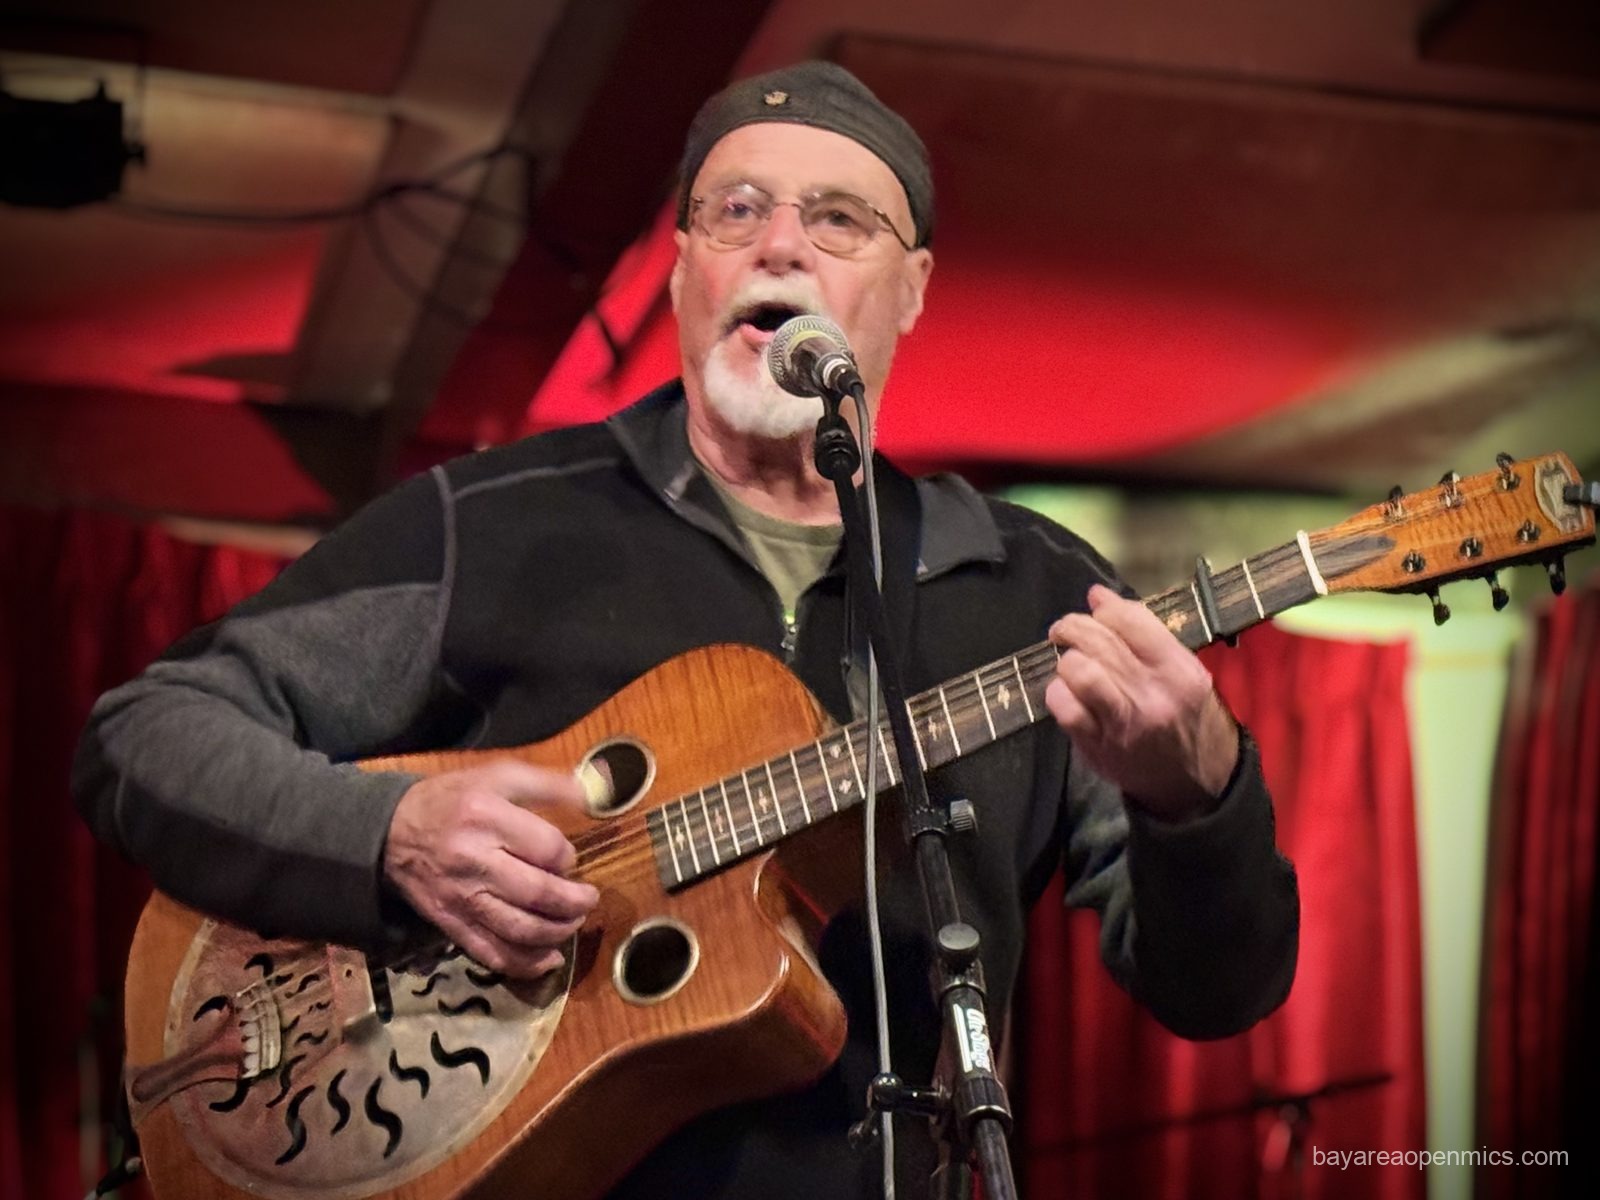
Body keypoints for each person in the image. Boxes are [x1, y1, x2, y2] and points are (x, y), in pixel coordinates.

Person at [74, 61, 1298, 1198]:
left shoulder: (1033, 589)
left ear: (912, 289)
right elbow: (146, 734)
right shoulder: (495, 521)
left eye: (838, 220)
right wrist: (389, 836)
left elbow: (1219, 994)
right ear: (680, 272)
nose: (780, 243)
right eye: (736, 211)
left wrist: (1196, 793)